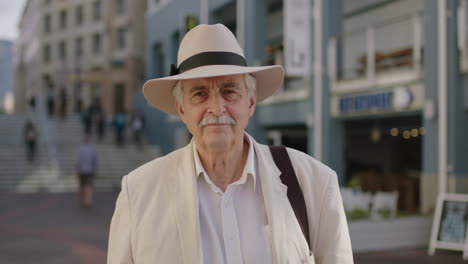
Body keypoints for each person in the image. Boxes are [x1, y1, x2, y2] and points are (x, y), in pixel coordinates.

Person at [108, 24, 353, 264]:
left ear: (251, 102)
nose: (216, 108)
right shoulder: (138, 193)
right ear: (182, 109)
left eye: (229, 91)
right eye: (200, 94)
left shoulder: (315, 183)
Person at [75, 135, 98, 208]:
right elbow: (95, 160)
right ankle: (88, 200)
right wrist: (95, 169)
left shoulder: (80, 149)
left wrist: (77, 169)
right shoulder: (92, 149)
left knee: (82, 186)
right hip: (90, 170)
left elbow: (78, 160)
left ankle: (82, 200)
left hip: (82, 170)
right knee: (89, 186)